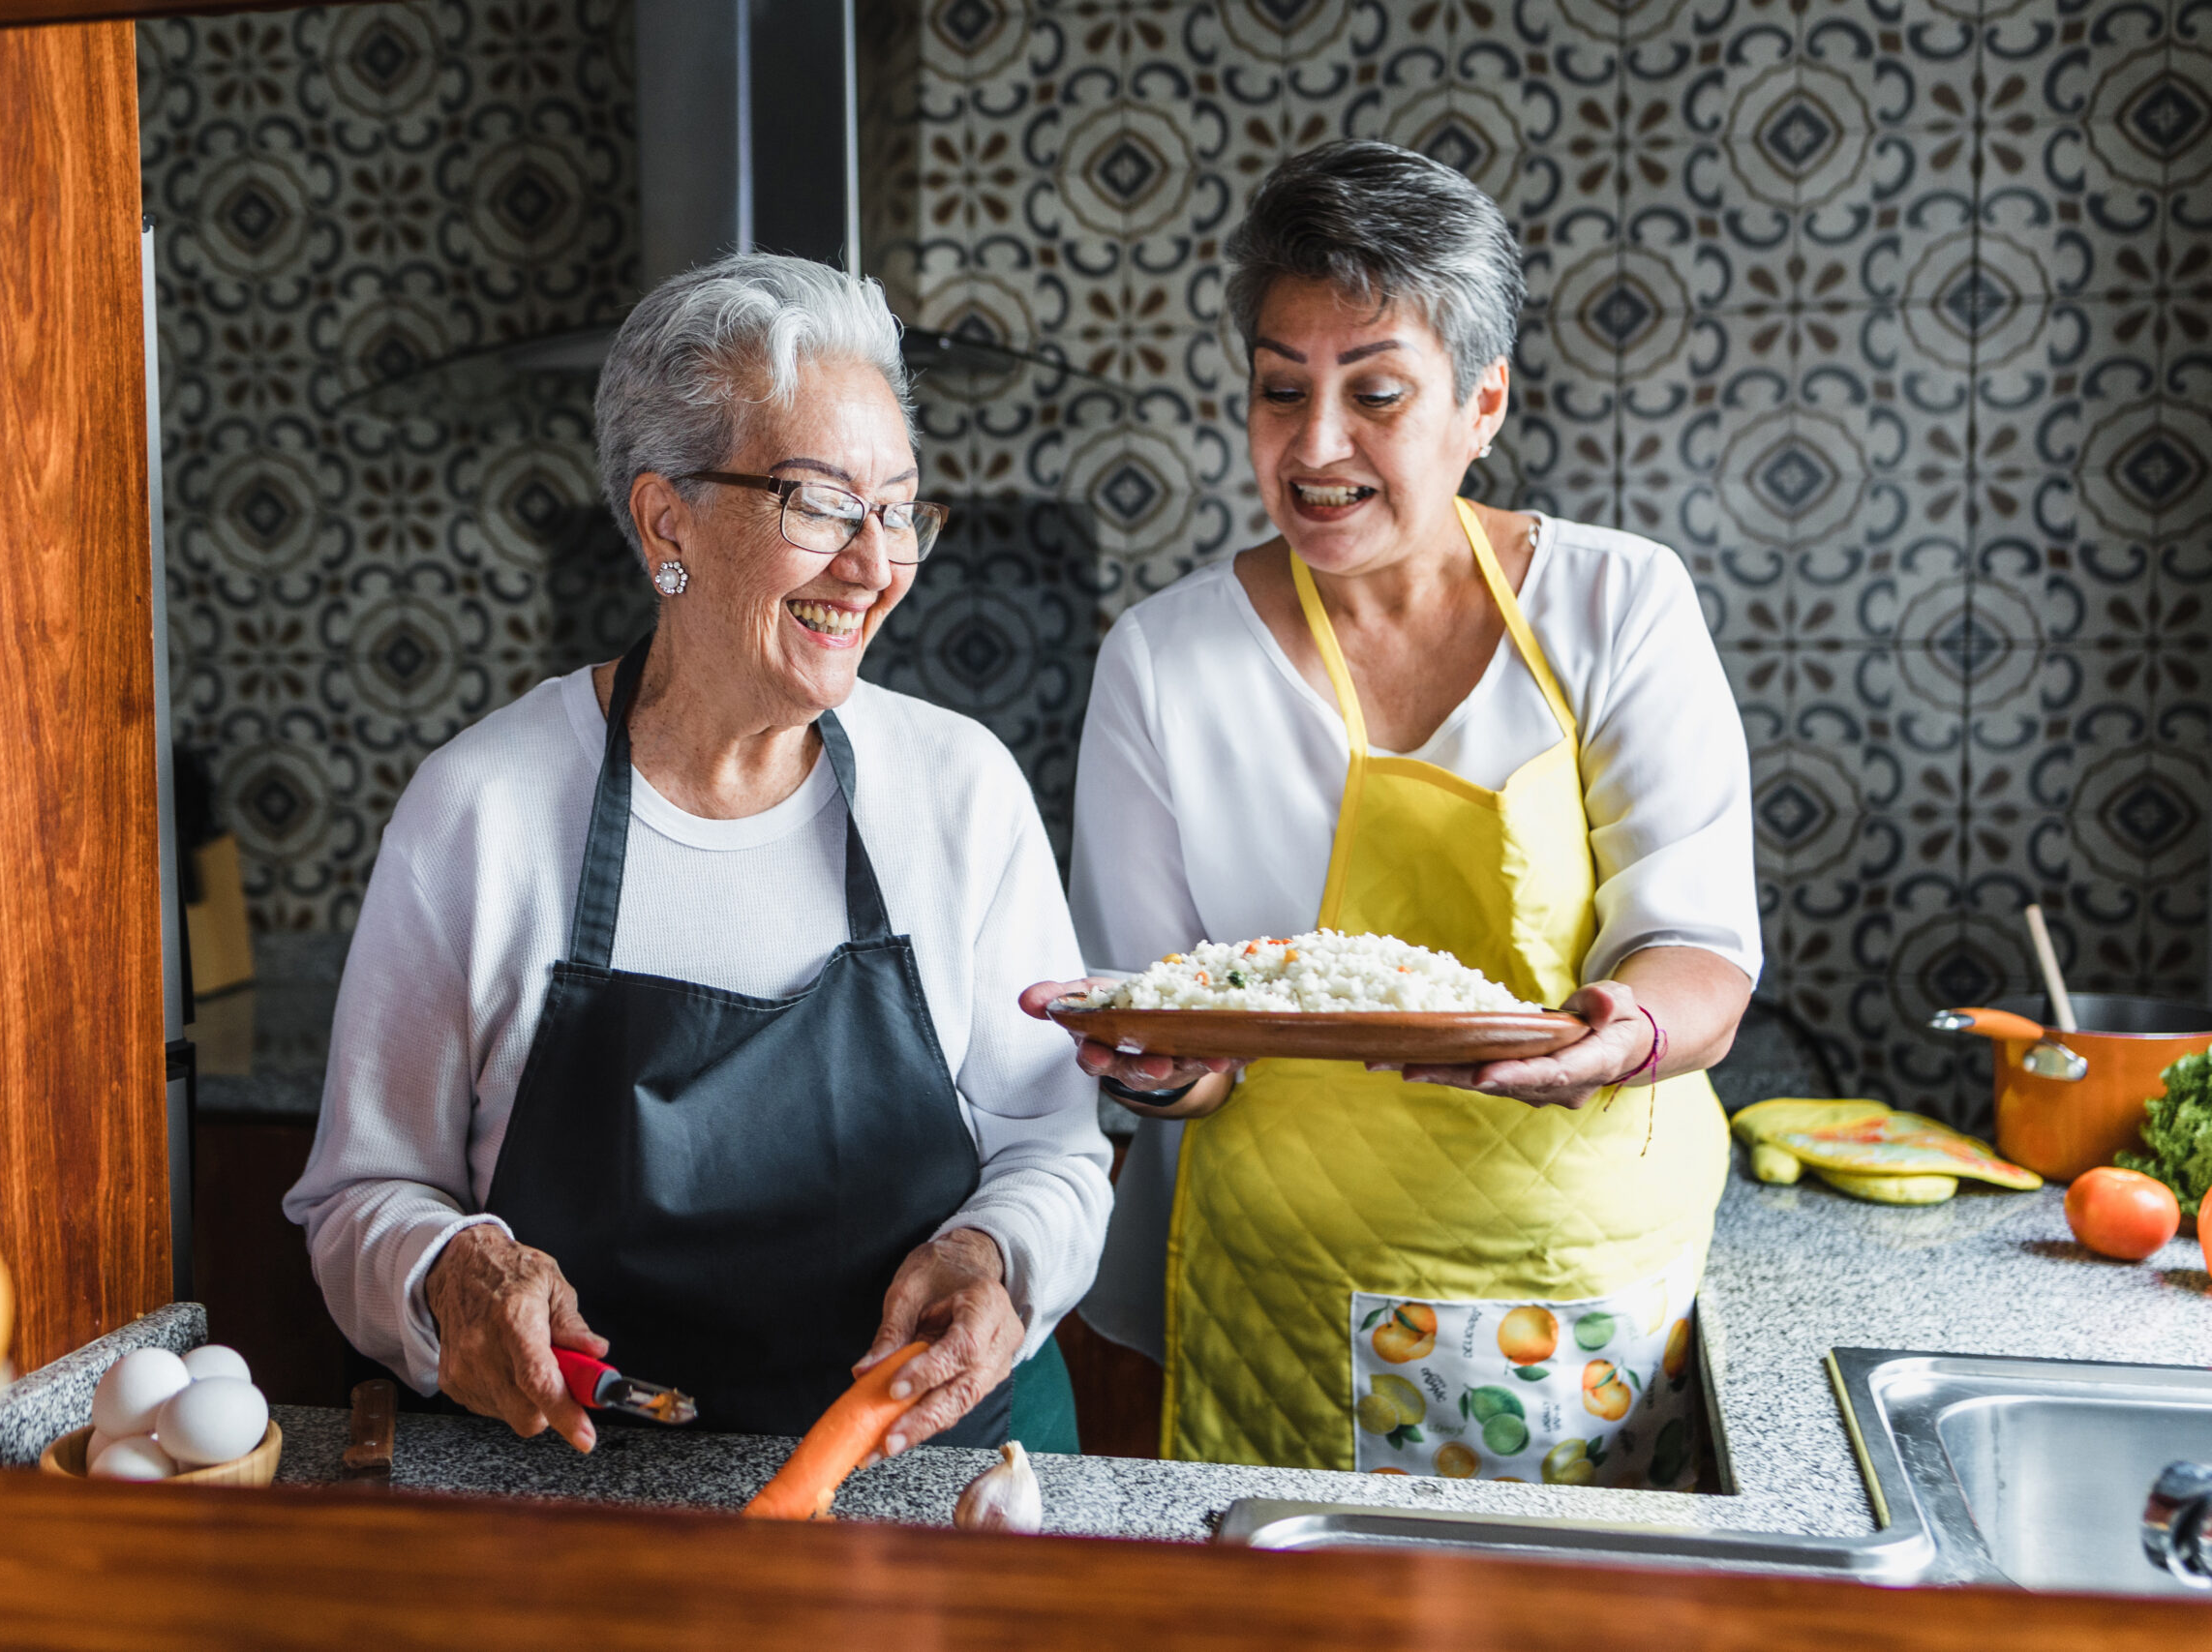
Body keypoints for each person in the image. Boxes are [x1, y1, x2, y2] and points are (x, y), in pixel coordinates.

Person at [288, 254, 1111, 1457]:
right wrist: (452, 1269)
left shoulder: (959, 789)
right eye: (820, 503)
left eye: (898, 508)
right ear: (665, 518)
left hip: (933, 1484)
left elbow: (1053, 1148)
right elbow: (361, 1198)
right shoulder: (483, 809)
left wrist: (993, 1256)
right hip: (579, 1493)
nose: (875, 565)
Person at [1023, 141, 1758, 1485]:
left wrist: (1616, 1034)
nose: (1315, 448)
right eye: (1278, 390)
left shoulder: (1617, 605)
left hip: (1575, 1275)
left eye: (1375, 394)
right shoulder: (1166, 657)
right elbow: (1176, 1016)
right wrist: (1149, 1058)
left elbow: (1700, 948)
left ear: (1482, 403)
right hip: (1271, 1278)